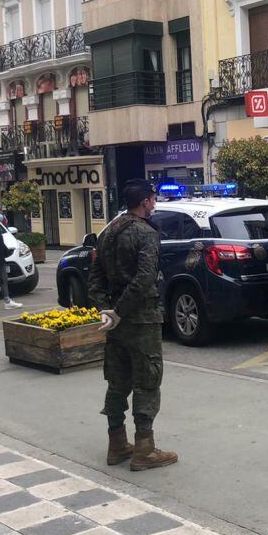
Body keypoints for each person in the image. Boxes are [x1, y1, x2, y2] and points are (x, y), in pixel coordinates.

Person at [88, 179, 177, 472]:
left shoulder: (108, 232)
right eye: (152, 199)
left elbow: (96, 278)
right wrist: (121, 311)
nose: (154, 204)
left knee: (117, 381)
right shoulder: (146, 233)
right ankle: (144, 449)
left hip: (116, 323)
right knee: (147, 381)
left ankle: (116, 443)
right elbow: (145, 277)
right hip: (141, 319)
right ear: (144, 202)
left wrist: (107, 310)